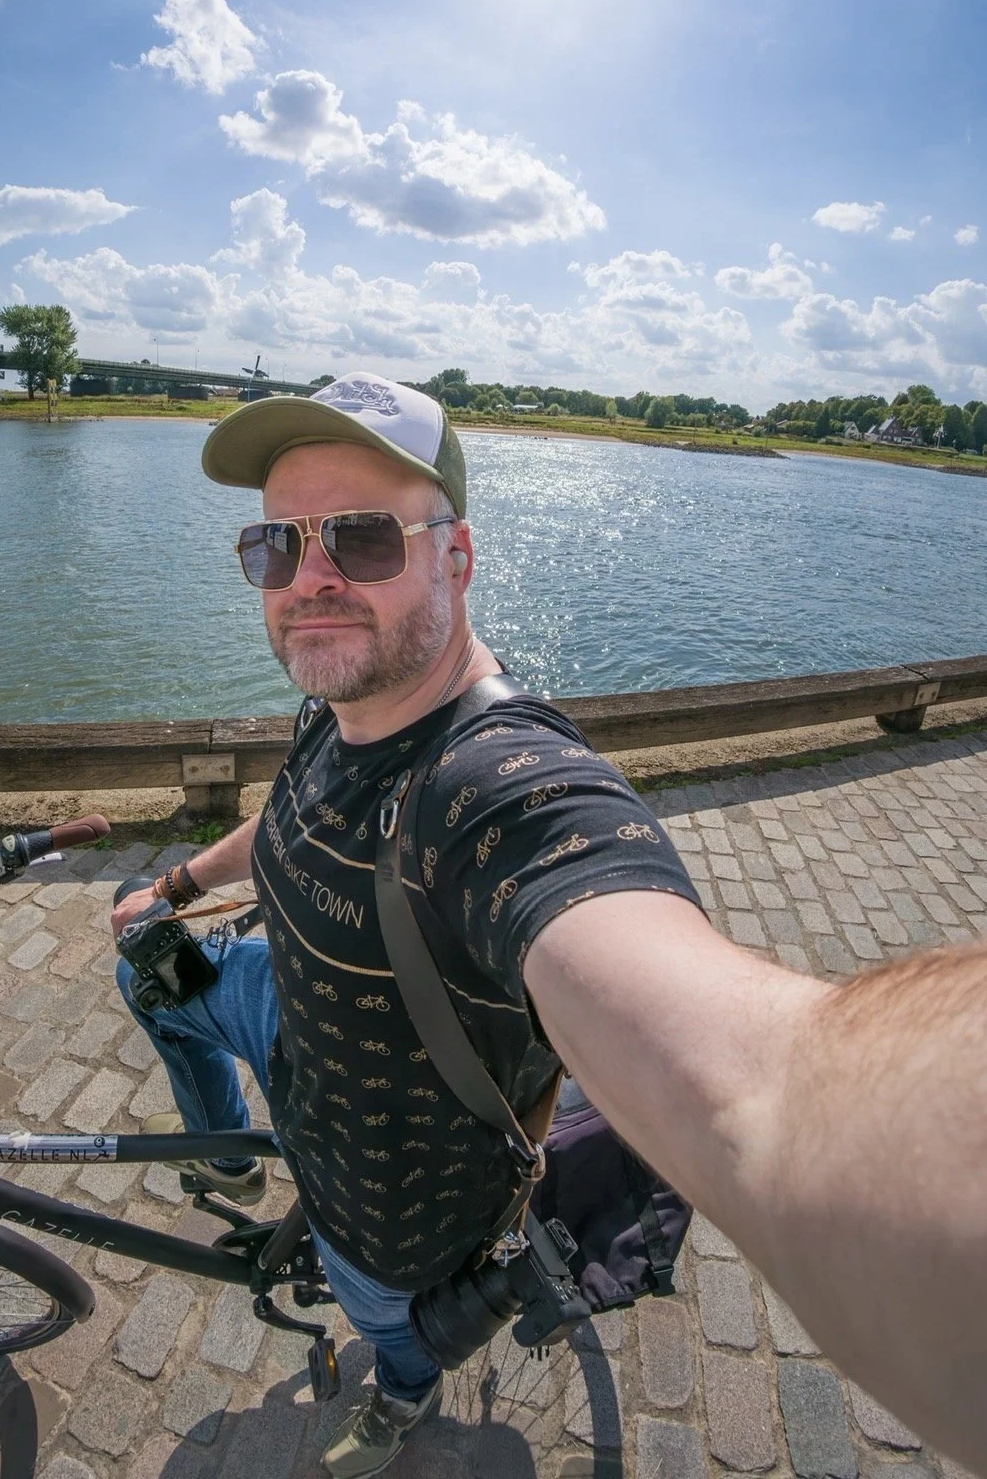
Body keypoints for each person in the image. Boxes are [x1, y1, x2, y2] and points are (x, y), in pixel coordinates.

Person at [114, 372, 987, 1479]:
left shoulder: (499, 787)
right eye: (277, 545)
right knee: (147, 974)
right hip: (291, 1025)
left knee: (391, 1328)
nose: (310, 579)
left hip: (382, 1200)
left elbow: (744, 1077)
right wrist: (179, 887)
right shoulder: (341, 702)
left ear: (458, 559)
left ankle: (405, 1393)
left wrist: (826, 1117)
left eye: (364, 539)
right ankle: (235, 1168)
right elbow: (292, 807)